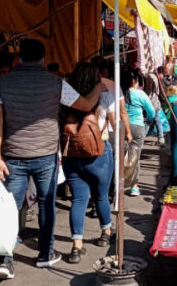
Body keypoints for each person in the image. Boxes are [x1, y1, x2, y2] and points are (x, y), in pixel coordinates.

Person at [0, 39, 106, 279]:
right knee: (46, 204)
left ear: (19, 57)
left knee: (9, 209)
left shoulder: (1, 83)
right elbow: (85, 105)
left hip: (12, 156)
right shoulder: (56, 83)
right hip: (45, 156)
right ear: (43, 58)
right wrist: (100, 87)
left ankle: (5, 261)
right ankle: (45, 254)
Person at [61, 63, 115, 264]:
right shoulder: (103, 95)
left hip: (72, 153)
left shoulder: (67, 95)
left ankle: (76, 246)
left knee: (78, 200)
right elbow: (113, 120)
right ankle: (106, 233)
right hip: (98, 152)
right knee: (101, 196)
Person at [121, 67, 155, 196]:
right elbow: (151, 111)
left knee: (120, 155)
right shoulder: (140, 94)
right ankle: (134, 186)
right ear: (134, 81)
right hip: (137, 127)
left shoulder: (119, 93)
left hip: (121, 126)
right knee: (135, 156)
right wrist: (150, 120)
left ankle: (117, 183)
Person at [144, 71, 165, 146]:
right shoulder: (155, 77)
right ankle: (161, 138)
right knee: (157, 121)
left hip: (151, 102)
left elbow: (148, 91)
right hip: (155, 102)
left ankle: (142, 138)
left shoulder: (150, 76)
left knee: (148, 121)